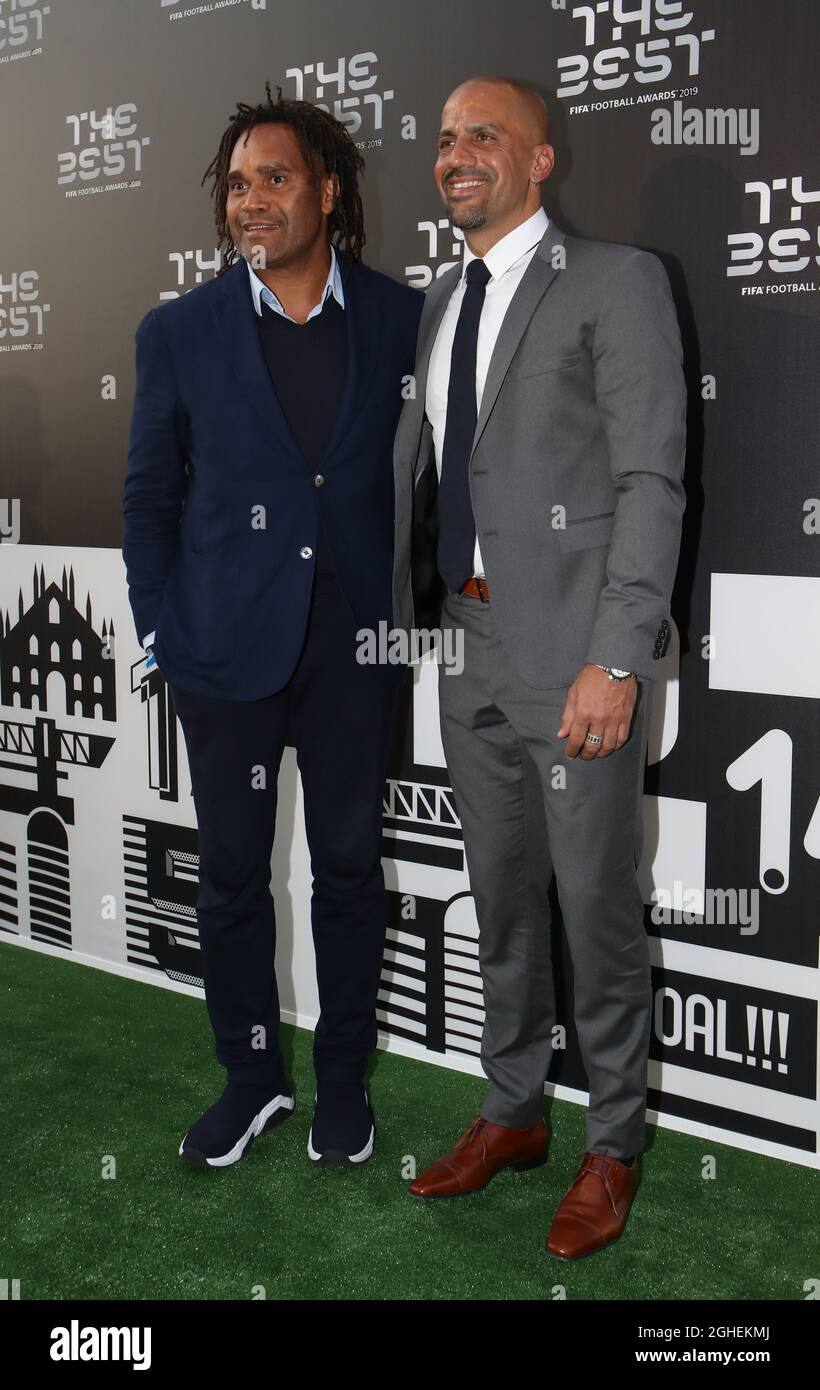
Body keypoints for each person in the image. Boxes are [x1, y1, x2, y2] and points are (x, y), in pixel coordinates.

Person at [392, 75, 686, 1257]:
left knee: (598, 910)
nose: (458, 154)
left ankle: (612, 1142)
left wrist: (616, 658)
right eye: (447, 136)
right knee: (503, 903)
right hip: (466, 650)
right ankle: (513, 1110)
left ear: (540, 161)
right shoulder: (438, 299)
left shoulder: (615, 281)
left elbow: (649, 482)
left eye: (485, 137)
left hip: (573, 657)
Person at [123, 83, 422, 1169]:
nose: (251, 200)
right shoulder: (178, 332)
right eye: (237, 184)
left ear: (328, 190)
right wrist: (162, 628)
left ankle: (341, 1082)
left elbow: (438, 481)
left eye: (274, 178)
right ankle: (253, 1079)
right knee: (231, 877)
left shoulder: (404, 318)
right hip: (223, 654)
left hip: (353, 654)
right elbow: (149, 499)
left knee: (348, 870)